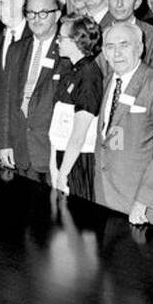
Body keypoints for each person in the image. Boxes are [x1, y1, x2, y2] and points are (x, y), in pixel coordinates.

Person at [93, 22, 153, 227]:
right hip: (105, 194)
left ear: (140, 48)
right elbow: (110, 137)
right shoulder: (107, 82)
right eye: (110, 47)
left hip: (141, 203)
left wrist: (144, 200)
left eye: (124, 45)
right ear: (104, 52)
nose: (117, 53)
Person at [49, 15, 102, 202]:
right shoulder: (71, 70)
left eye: (61, 38)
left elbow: (79, 135)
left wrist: (63, 173)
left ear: (77, 41)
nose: (57, 41)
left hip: (78, 160)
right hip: (63, 154)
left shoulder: (89, 75)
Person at [17, 0, 62, 180]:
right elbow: (6, 99)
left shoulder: (66, 51)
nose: (36, 18)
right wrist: (4, 143)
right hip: (21, 148)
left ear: (57, 15)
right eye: (31, 13)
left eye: (43, 13)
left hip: (52, 150)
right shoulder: (17, 49)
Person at [0, 0, 31, 169]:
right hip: (3, 132)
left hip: (31, 133)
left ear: (20, 1)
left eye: (2, 3)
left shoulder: (35, 36)